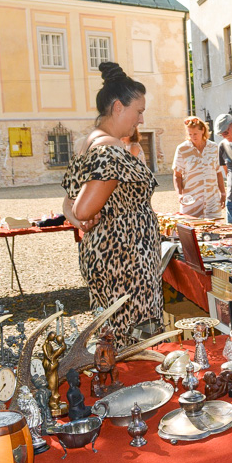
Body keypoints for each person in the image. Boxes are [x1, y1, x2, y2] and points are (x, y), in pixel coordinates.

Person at [61, 62, 162, 348]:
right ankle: (138, 388)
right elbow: (83, 208)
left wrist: (79, 220)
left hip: (112, 257)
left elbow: (70, 204)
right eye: (138, 112)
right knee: (136, 340)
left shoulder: (88, 143)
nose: (141, 120)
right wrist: (82, 216)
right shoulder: (111, 150)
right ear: (118, 107)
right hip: (127, 264)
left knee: (114, 334)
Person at [172, 116, 224, 218]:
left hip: (212, 202)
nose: (193, 137)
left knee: (215, 231)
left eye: (195, 134)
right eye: (190, 134)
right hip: (191, 202)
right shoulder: (182, 149)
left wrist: (223, 193)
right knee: (192, 232)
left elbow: (218, 172)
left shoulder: (213, 148)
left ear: (203, 130)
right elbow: (177, 175)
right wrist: (180, 194)